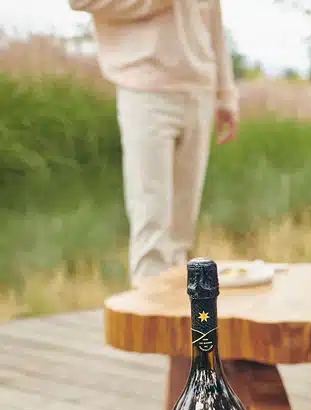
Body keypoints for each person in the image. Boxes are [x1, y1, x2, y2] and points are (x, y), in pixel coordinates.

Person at [69, 0, 239, 286]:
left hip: (200, 88)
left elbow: (213, 20)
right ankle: (149, 323)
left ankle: (176, 324)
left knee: (181, 231)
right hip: (145, 88)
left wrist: (226, 92)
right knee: (152, 225)